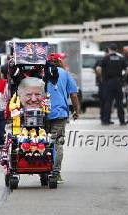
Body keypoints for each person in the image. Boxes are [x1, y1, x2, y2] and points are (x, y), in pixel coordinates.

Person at [45, 54, 80, 183]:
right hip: (59, 113)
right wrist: (76, 111)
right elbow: (74, 95)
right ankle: (55, 173)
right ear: (59, 61)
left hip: (41, 113)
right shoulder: (65, 74)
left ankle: (42, 169)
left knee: (42, 141)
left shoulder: (41, 72)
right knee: (57, 143)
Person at [96, 43, 128, 125]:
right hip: (118, 82)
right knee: (119, 103)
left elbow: (98, 69)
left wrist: (101, 77)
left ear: (109, 49)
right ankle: (122, 121)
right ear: (116, 50)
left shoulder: (105, 58)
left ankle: (106, 120)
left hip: (108, 82)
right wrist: (123, 77)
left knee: (108, 102)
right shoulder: (121, 58)